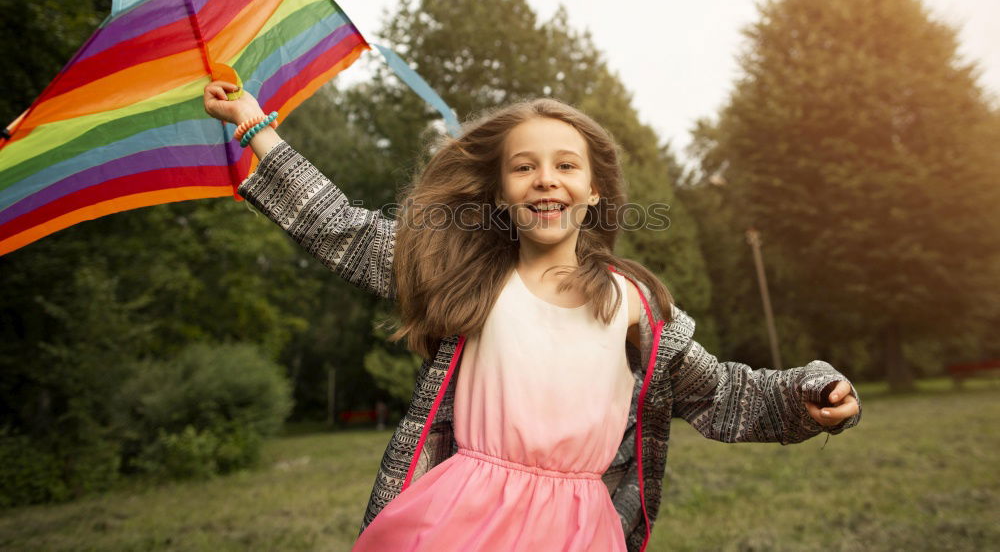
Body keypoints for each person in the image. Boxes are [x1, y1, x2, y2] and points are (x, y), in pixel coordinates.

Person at [203, 81, 862, 552]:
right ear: (499, 192)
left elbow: (723, 392)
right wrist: (259, 128)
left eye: (565, 165)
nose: (546, 178)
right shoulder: (465, 279)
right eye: (524, 167)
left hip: (580, 529)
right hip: (461, 517)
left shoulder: (634, 305)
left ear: (594, 189)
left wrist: (811, 393)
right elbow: (343, 231)